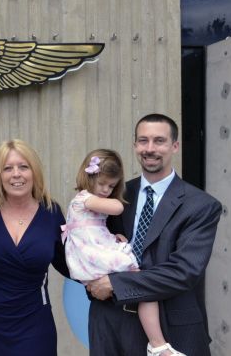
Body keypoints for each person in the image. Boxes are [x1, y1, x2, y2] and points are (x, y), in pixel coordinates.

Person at [87, 114, 222, 356]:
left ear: (175, 146)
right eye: (143, 140)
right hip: (111, 324)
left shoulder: (201, 206)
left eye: (159, 141)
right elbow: (88, 242)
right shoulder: (114, 195)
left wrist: (116, 284)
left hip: (172, 329)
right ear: (135, 145)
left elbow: (183, 272)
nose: (150, 148)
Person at [63, 149, 184, 356]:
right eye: (102, 184)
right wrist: (119, 198)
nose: (105, 190)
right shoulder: (84, 198)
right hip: (91, 255)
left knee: (141, 286)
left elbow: (95, 227)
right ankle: (157, 343)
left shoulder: (90, 201)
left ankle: (157, 343)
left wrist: (113, 236)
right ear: (88, 177)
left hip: (93, 250)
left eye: (111, 186)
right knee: (142, 283)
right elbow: (117, 208)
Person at [0, 139, 69, 356]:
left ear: (34, 171)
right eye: (7, 168)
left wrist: (108, 250)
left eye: (23, 167)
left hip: (35, 325)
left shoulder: (51, 213)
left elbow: (69, 262)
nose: (16, 174)